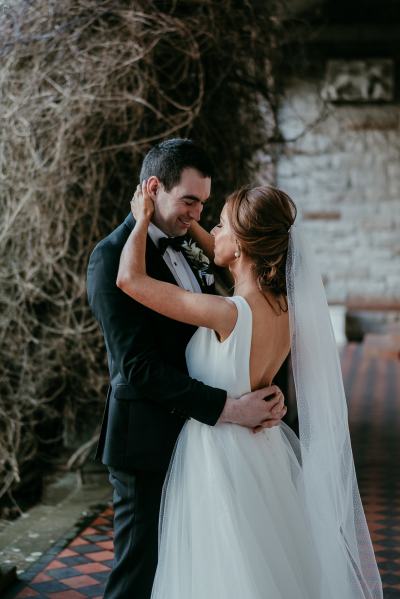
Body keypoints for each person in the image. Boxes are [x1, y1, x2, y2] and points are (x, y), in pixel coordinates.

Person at [117, 182, 383, 599]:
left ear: (241, 246)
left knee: (223, 571)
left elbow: (130, 279)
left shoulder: (227, 314)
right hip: (264, 452)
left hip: (217, 458)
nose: (209, 232)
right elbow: (227, 252)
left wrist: (141, 220)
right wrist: (218, 230)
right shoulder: (285, 307)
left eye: (219, 225)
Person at [86, 139, 286, 599]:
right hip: (147, 442)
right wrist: (230, 409)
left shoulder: (192, 245)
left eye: (204, 204)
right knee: (139, 571)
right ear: (153, 188)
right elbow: (137, 369)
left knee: (192, 569)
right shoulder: (110, 257)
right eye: (190, 201)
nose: (198, 214)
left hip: (202, 446)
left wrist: (266, 391)